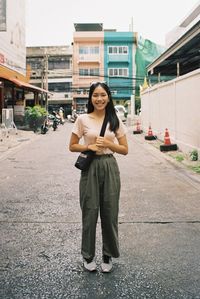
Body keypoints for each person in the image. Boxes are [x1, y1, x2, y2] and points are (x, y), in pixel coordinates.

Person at [69, 82, 128, 273]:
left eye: (103, 95)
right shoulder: (82, 119)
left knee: (110, 213)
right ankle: (88, 256)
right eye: (95, 95)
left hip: (110, 165)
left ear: (108, 97)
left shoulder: (115, 120)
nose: (99, 99)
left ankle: (108, 255)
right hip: (90, 167)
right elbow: (72, 145)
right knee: (90, 211)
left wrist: (110, 143)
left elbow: (125, 150)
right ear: (90, 98)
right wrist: (89, 147)